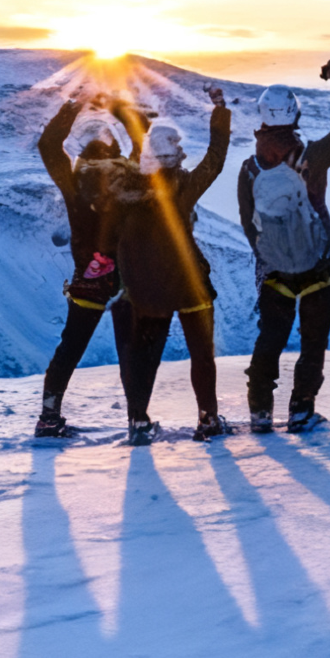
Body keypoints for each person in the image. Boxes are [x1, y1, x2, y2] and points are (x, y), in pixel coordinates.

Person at [236, 65, 330, 435]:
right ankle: (302, 410)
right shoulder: (314, 155)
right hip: (319, 262)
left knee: (270, 337)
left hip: (274, 270)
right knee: (313, 340)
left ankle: (259, 411)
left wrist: (267, 254)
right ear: (296, 114)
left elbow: (247, 219)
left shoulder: (249, 169)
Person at [114, 87, 233, 443]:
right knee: (202, 354)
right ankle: (208, 419)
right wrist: (220, 112)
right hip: (188, 283)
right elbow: (216, 158)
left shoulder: (125, 191)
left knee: (145, 357)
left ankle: (138, 421)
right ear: (176, 154)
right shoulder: (184, 185)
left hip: (147, 291)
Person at [32, 94, 145, 438]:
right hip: (128, 280)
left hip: (89, 279)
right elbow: (145, 142)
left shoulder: (74, 182)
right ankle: (138, 422)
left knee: (70, 348)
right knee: (132, 350)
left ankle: (49, 417)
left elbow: (48, 145)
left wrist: (72, 105)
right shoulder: (131, 175)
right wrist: (121, 110)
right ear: (114, 148)